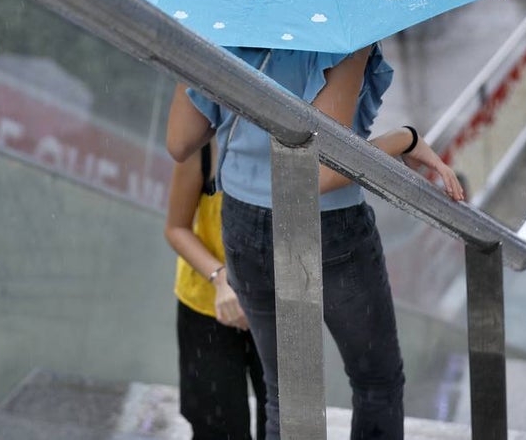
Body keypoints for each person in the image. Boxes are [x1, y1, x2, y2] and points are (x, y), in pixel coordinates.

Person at [166, 44, 464, 440]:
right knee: (376, 382)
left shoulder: (234, 18)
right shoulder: (344, 31)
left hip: (242, 220)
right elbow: (319, 174)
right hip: (327, 226)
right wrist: (404, 139)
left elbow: (180, 141)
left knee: (286, 397)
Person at [165, 136, 266, 440]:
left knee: (285, 424)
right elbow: (176, 227)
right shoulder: (203, 142)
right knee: (216, 426)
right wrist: (221, 279)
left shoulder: (297, 143)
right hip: (207, 304)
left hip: (276, 311)